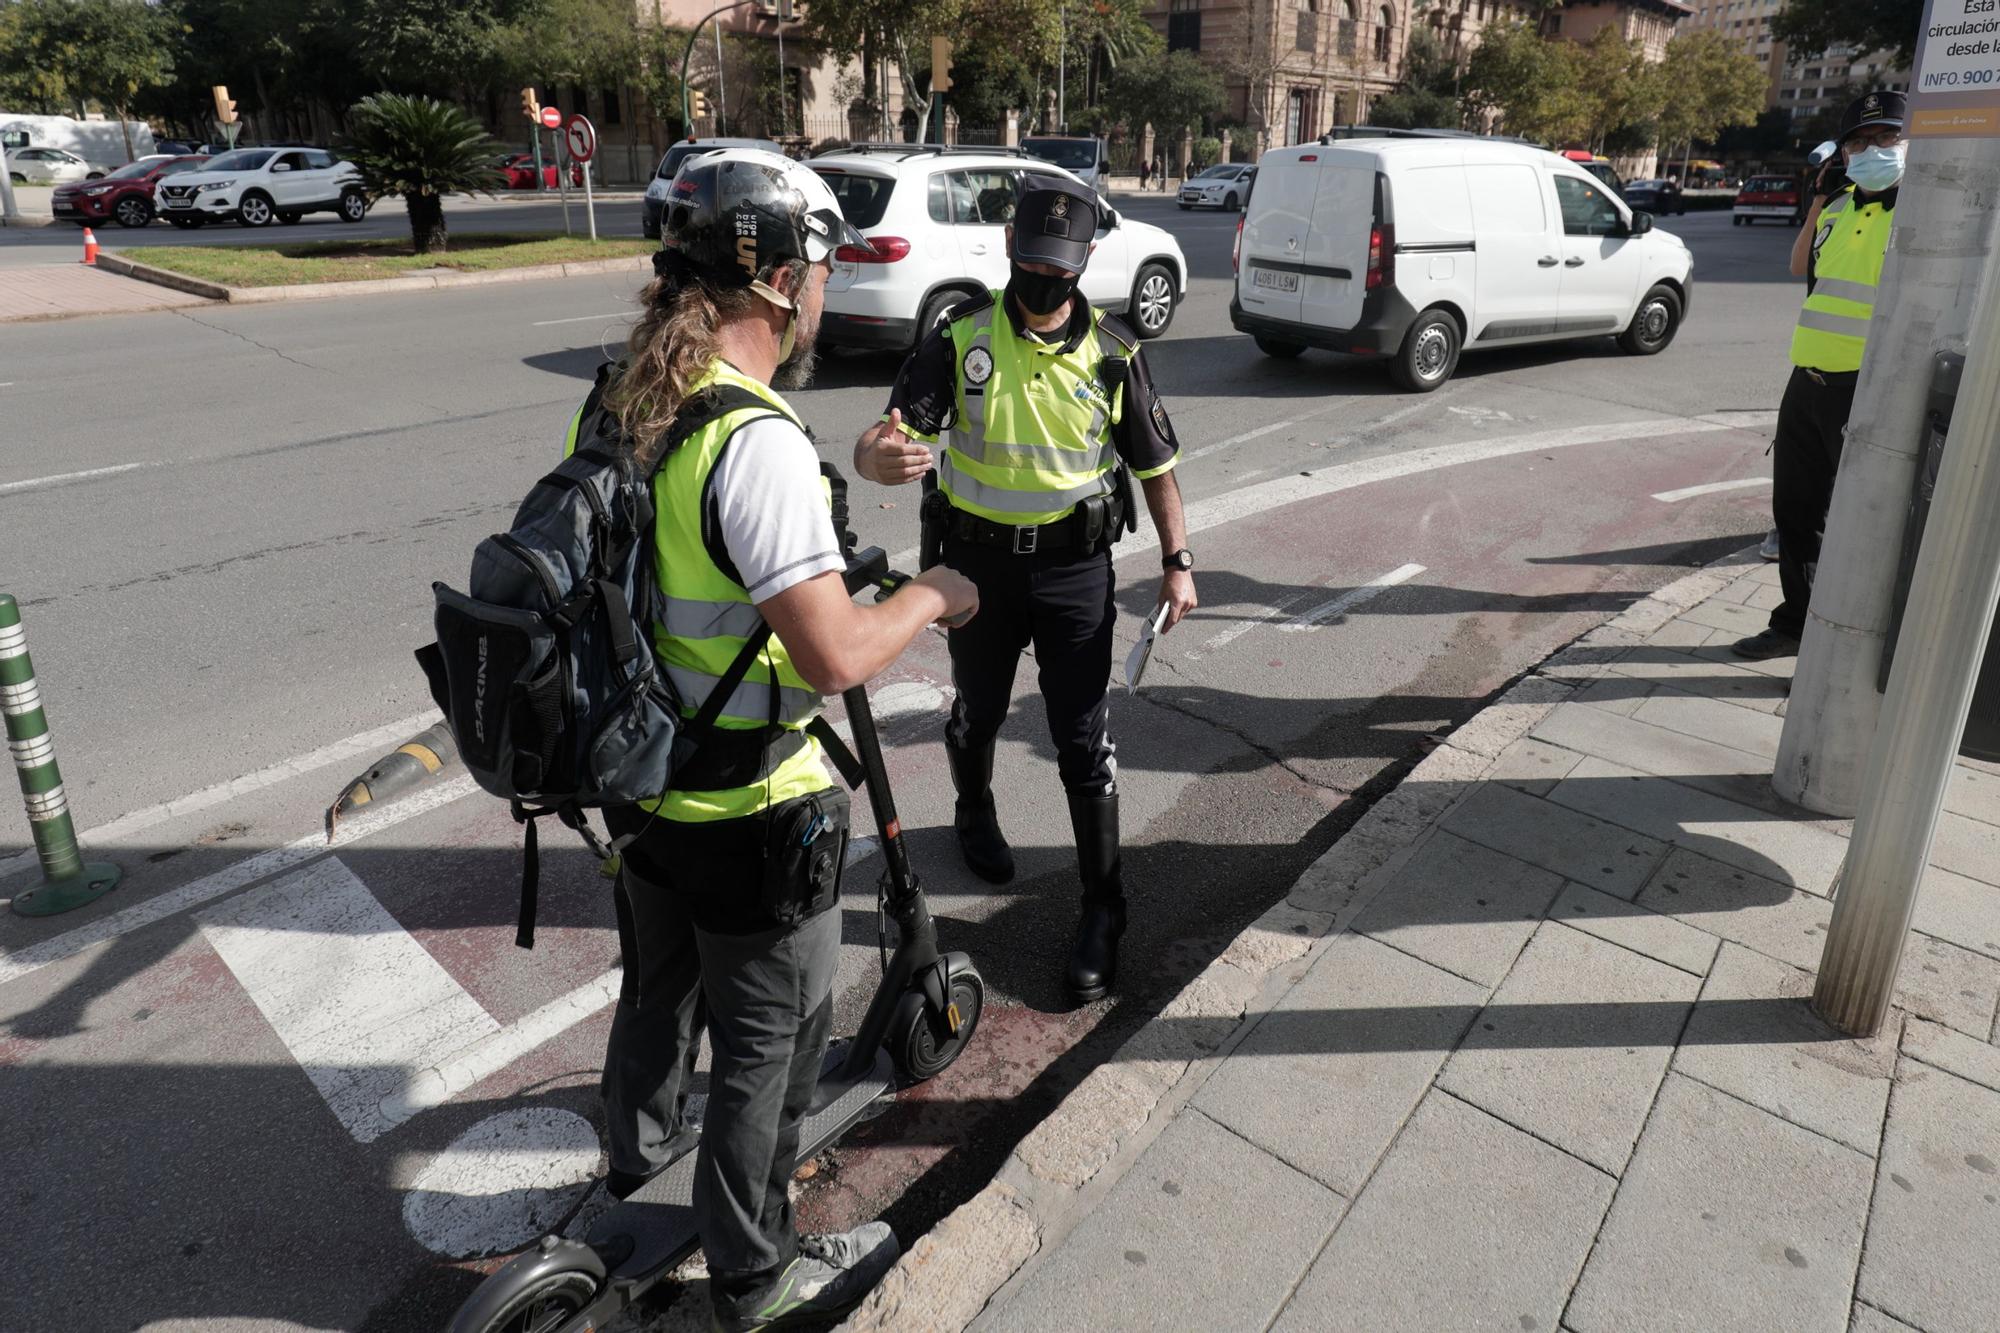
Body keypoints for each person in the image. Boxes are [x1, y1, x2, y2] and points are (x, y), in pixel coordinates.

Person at [580, 149, 979, 1331]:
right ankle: (756, 1274)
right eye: (816, 266)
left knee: (655, 999)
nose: (820, 291)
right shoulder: (755, 440)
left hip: (642, 785)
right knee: (768, 1051)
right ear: (776, 280)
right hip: (753, 811)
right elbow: (832, 657)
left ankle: (629, 1171)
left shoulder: (624, 392)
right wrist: (930, 597)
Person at [853, 178, 1197, 1003]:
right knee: (977, 707)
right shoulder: (961, 336)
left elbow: (1157, 469)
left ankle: (1103, 909)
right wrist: (877, 456)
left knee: (1083, 738)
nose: (1042, 282)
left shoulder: (1113, 353)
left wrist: (1179, 561)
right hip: (976, 570)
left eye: (1059, 270)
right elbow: (885, 438)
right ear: (1012, 255)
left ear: (1080, 269)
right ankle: (973, 810)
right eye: (1031, 264)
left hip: (1076, 572)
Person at [1732, 91, 1905, 661]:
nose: (1872, 149)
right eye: (1859, 141)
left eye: (1886, 138)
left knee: (1855, 524)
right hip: (1807, 378)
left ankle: (1840, 648)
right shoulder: (1838, 206)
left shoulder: (1922, 213)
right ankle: (1794, 626)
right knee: (1796, 512)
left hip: (1866, 385)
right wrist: (1817, 201)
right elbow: (1798, 266)